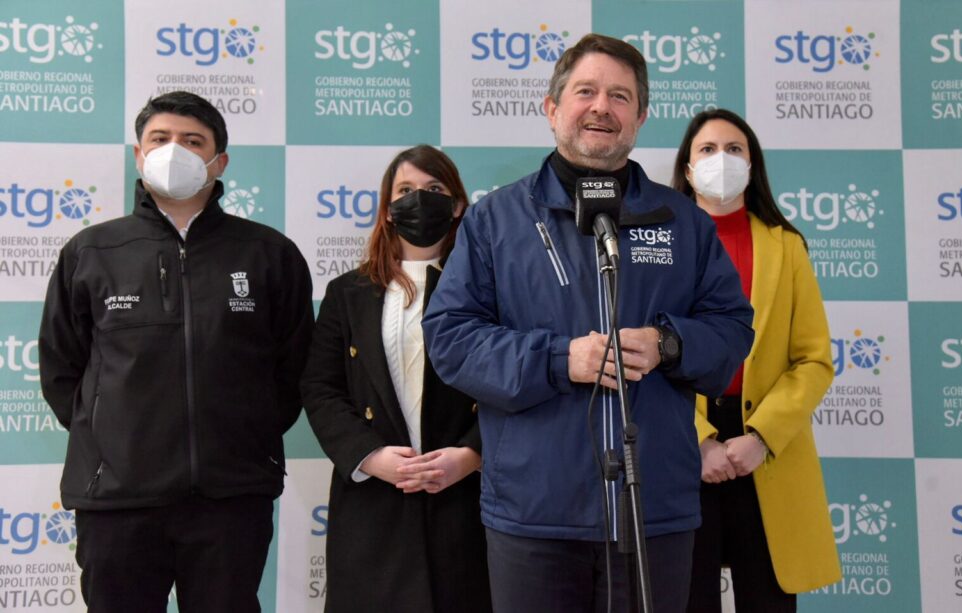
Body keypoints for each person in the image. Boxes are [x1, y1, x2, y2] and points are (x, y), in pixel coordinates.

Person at [422, 34, 754, 612]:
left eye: (620, 96)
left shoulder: (683, 222)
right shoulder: (495, 220)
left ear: (641, 117)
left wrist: (670, 344)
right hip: (533, 516)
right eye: (586, 92)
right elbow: (451, 338)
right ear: (551, 108)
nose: (602, 107)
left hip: (653, 513)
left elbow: (732, 329)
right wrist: (560, 360)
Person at [38, 91, 313, 613]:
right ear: (138, 155)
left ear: (219, 161)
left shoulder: (269, 253)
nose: (174, 151)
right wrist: (112, 441)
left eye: (193, 141)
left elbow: (292, 369)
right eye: (160, 139)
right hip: (117, 501)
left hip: (231, 499)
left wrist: (243, 438)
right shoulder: (91, 252)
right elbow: (61, 369)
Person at [300, 145, 491, 612]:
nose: (418, 200)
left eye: (434, 188)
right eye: (405, 190)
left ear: (458, 205)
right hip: (374, 499)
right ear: (387, 209)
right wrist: (369, 456)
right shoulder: (347, 293)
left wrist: (472, 455)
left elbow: (510, 385)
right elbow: (321, 389)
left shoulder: (490, 291)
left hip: (464, 500)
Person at [671, 108, 841, 612]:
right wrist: (699, 441)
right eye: (707, 149)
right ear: (687, 169)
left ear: (752, 164)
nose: (721, 159)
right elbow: (644, 358)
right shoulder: (658, 249)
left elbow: (813, 360)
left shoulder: (787, 247)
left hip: (765, 447)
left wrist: (762, 437)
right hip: (682, 447)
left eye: (734, 149)